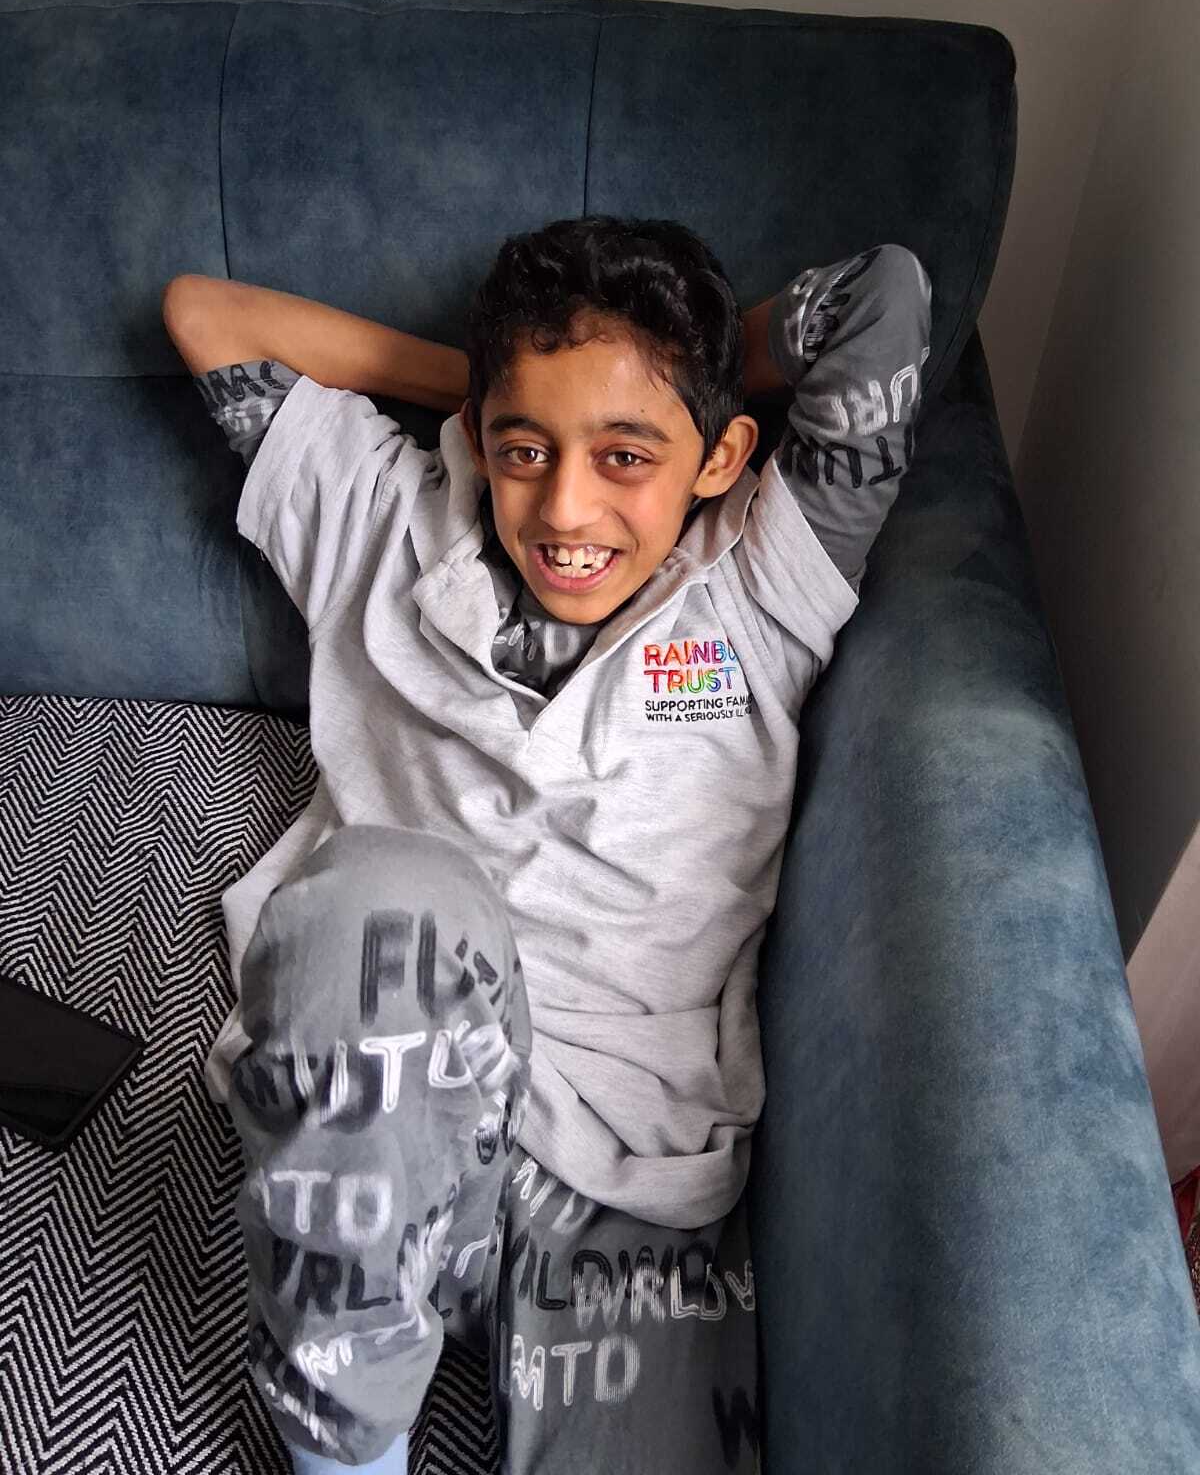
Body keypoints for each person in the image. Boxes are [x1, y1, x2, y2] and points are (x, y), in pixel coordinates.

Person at [162, 217, 932, 1474]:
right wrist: (486, 388)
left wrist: (675, 375)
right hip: (388, 1118)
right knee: (374, 900)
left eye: (625, 455)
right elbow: (205, 314)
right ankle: (344, 1452)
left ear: (722, 456)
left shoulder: (761, 581)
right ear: (478, 434)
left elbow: (882, 299)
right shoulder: (381, 518)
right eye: (527, 449)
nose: (566, 508)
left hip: (629, 1187)